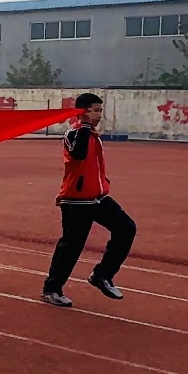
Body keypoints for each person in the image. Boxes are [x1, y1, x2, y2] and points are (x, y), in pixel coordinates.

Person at [42, 93, 137, 308]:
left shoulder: (93, 135)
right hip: (76, 200)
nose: (100, 115)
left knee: (126, 228)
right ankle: (52, 288)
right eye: (96, 110)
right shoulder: (75, 133)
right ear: (83, 111)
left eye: (100, 111)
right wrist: (84, 126)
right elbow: (78, 155)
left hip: (98, 198)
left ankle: (102, 275)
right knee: (72, 246)